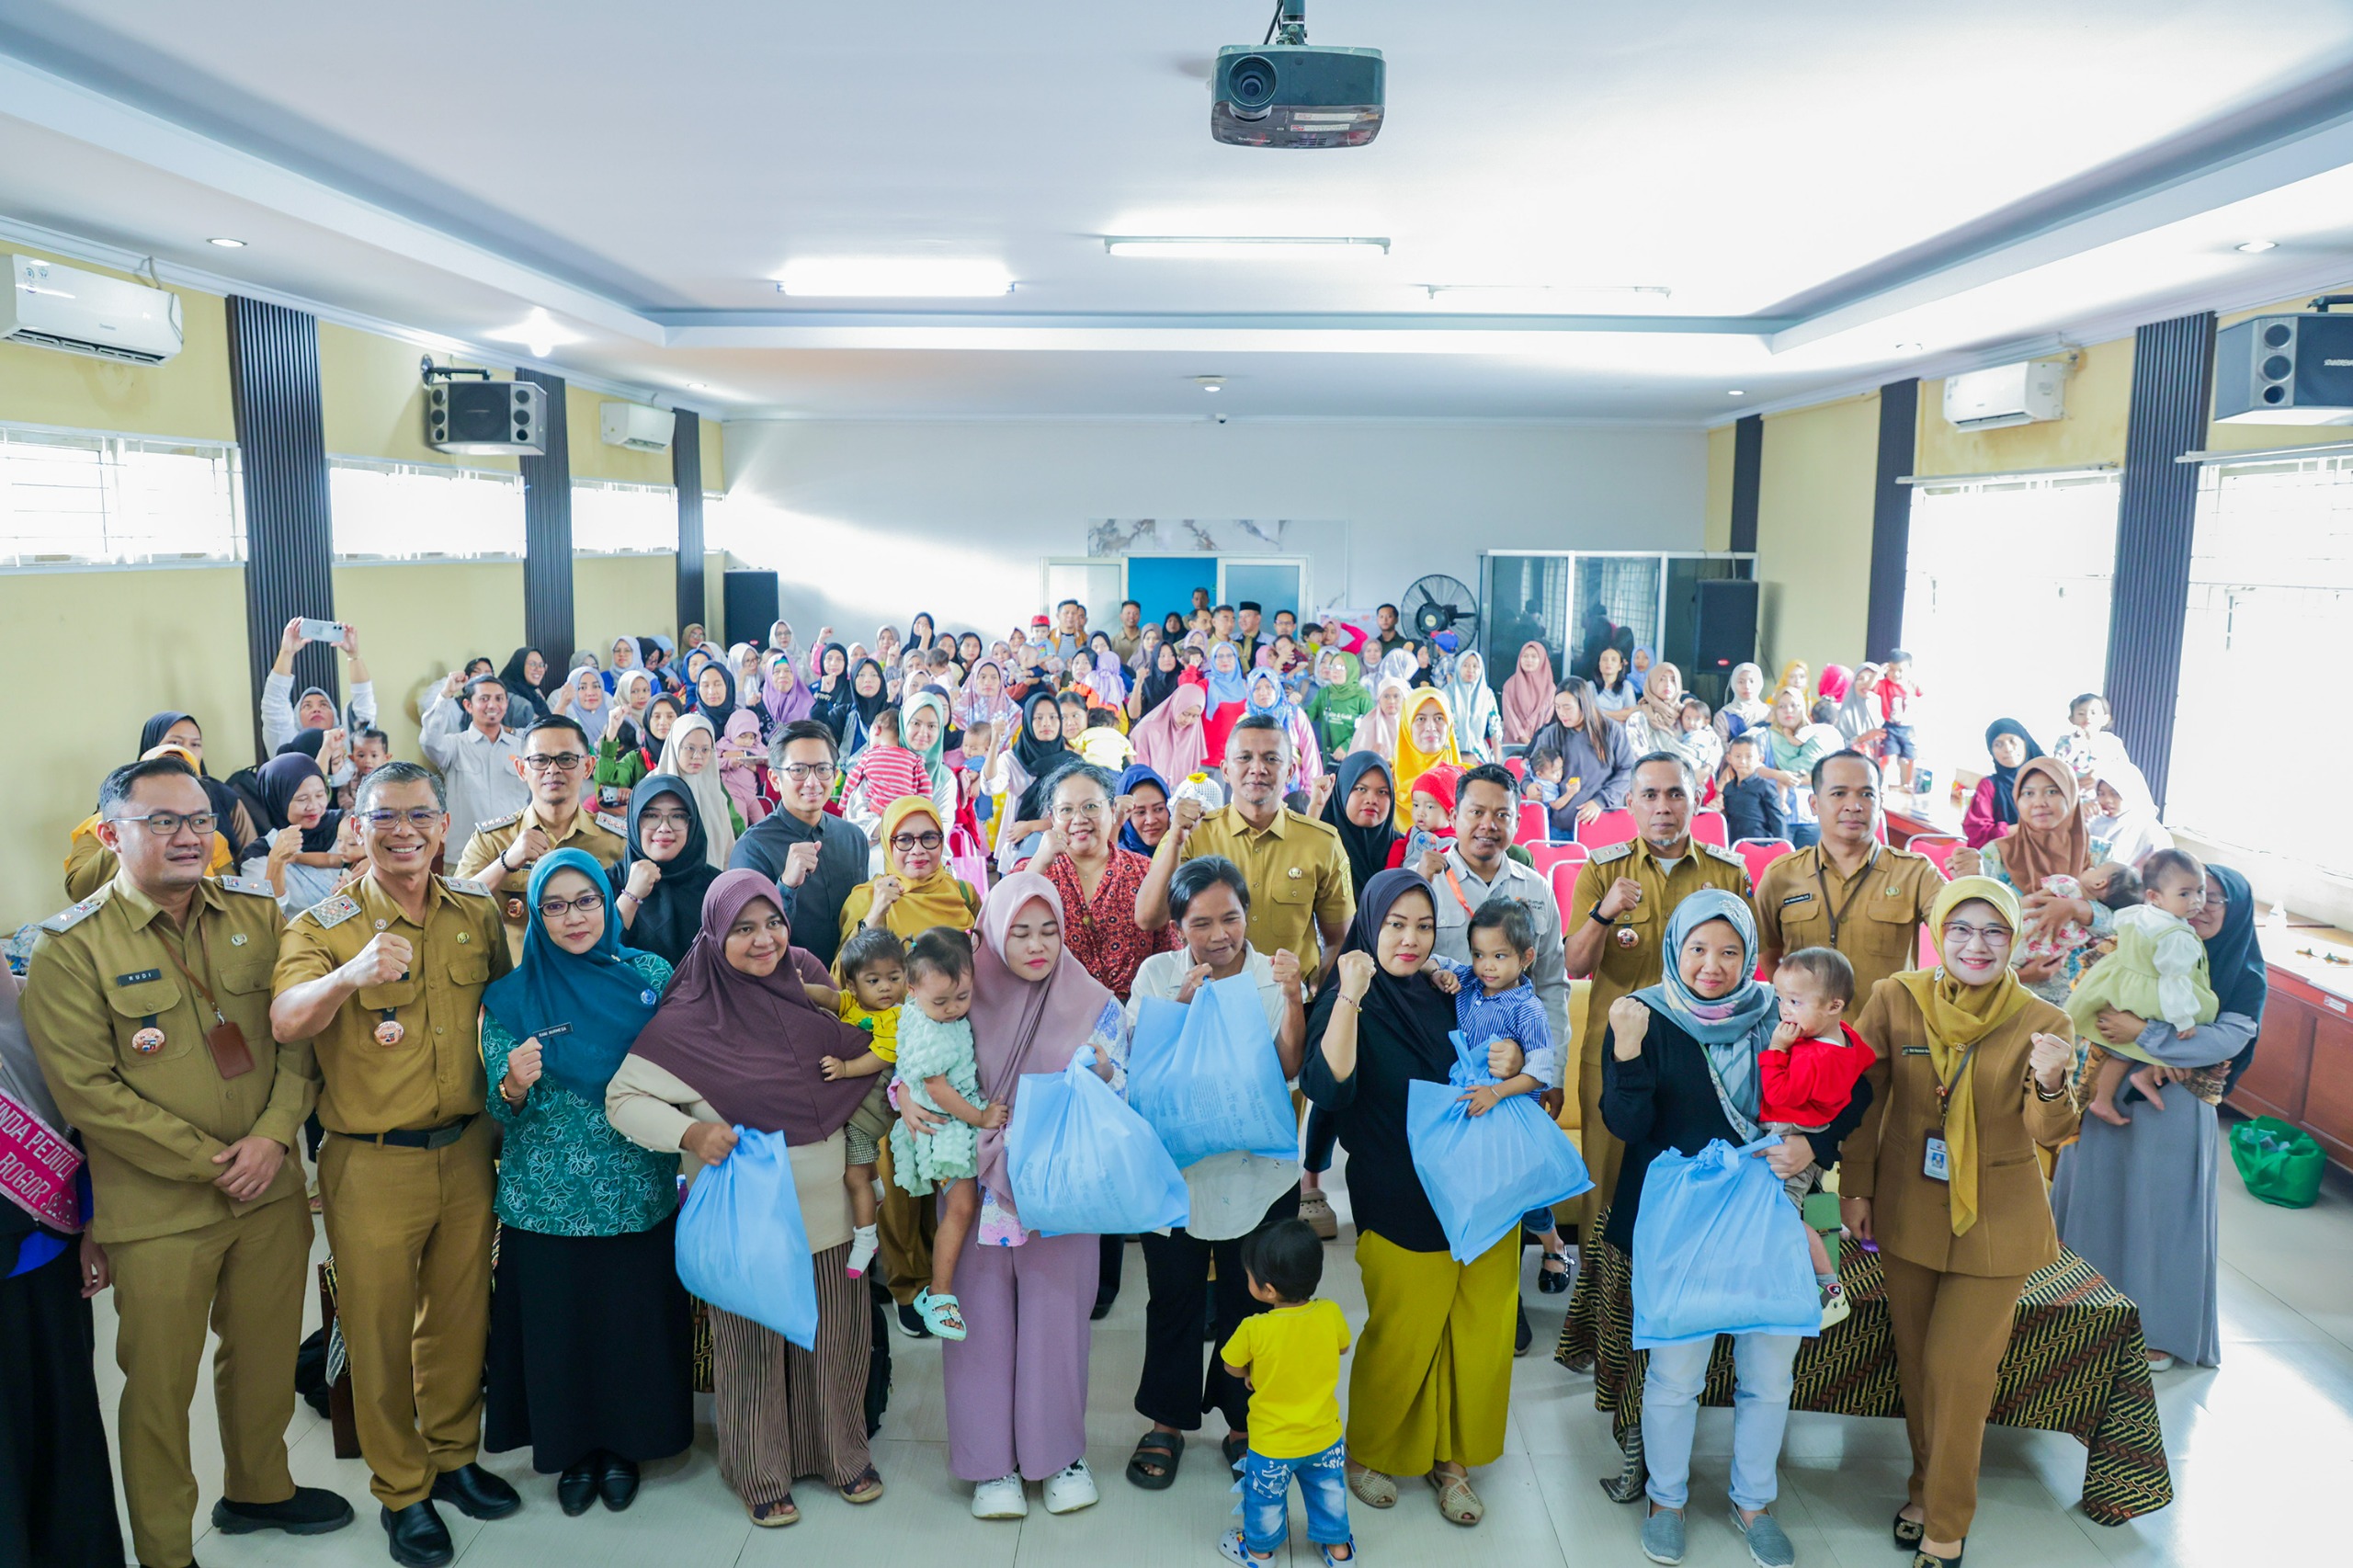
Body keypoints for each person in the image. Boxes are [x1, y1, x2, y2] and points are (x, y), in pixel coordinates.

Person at [20, 756, 349, 1568]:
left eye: (199, 820)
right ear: (110, 833)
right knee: (162, 1390)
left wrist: (272, 1138)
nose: (186, 837)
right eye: (161, 821)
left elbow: (295, 1039)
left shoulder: (256, 916)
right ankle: (168, 1551)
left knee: (267, 1355)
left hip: (269, 1188)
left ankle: (259, 1489)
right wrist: (215, 1162)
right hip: (157, 1208)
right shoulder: (69, 950)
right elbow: (90, 1094)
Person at [268, 762, 517, 1568]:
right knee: (375, 1333)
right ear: (358, 824)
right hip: (371, 1162)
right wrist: (350, 974)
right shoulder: (327, 923)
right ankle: (402, 1490)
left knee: (457, 1317)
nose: (403, 830)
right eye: (385, 816)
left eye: (419, 816)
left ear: (445, 826)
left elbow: (510, 1010)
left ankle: (452, 1457)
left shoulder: (473, 913)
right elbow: (284, 1020)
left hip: (468, 1148)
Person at [604, 871, 884, 1526]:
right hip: (747, 1220)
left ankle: (842, 1454)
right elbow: (623, 1098)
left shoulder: (811, 992)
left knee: (838, 1336)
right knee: (752, 1345)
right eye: (745, 929)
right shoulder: (689, 1017)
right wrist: (691, 1131)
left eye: (774, 924)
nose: (765, 941)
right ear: (714, 934)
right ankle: (759, 1470)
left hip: (831, 1212)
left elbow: (873, 1050)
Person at [1599, 890, 1864, 1568]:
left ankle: (1754, 1502)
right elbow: (1626, 1128)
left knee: (1770, 1375)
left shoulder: (1784, 1011)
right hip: (1683, 1219)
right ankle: (1667, 1498)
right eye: (1697, 949)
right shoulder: (1644, 1016)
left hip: (1773, 1211)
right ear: (1674, 949)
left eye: (1729, 950)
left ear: (1750, 955)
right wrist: (1628, 1053)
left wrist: (1815, 1146)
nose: (1711, 965)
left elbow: (1853, 1087)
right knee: (1676, 1372)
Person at [1837, 877, 2077, 1567]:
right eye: (1962, 930)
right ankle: (1922, 1486)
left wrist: (2055, 1082)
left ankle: (1946, 1522)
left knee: (1959, 1373)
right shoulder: (1897, 998)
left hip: (1996, 1221)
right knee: (1916, 1367)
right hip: (1907, 1209)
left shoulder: (2044, 1020)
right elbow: (1861, 1100)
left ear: (2014, 940)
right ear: (1939, 934)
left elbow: (2051, 1130)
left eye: (1994, 932)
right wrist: (1853, 1188)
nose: (1977, 945)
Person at [1302, 869, 1526, 1526]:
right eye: (1396, 924)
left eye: (1423, 925)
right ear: (1371, 924)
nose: (1410, 938)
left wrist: (1509, 1056)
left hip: (1481, 1187)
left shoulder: (1450, 990)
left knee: (1476, 1331)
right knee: (1403, 1333)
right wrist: (1347, 997)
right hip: (1399, 1191)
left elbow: (1507, 1038)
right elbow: (1328, 1085)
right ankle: (1367, 1453)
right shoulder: (1352, 993)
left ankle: (1452, 1461)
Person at [479, 850, 690, 1516]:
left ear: (608, 900)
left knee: (627, 1323)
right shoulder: (511, 996)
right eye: (556, 905)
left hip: (635, 1187)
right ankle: (571, 1449)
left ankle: (625, 1444)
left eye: (587, 900)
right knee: (559, 1327)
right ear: (535, 914)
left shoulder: (650, 976)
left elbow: (687, 1067)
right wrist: (513, 1081)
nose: (574, 917)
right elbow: (495, 1104)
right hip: (544, 1199)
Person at [926, 872, 1129, 1520]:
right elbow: (918, 1066)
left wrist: (1103, 1075)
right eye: (1020, 931)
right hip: (973, 1186)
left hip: (1062, 1185)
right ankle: (991, 1466)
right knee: (979, 1320)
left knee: (1056, 1316)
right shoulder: (959, 994)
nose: (1037, 945)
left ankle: (1059, 1454)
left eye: (1049, 930)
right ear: (990, 929)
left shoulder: (1092, 999)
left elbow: (1123, 1085)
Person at [1122, 856, 1307, 1493]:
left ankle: (1240, 1420)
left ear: (1248, 915)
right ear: (1178, 926)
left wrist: (1291, 997)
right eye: (1201, 922)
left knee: (1247, 1301)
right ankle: (1168, 1421)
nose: (1219, 934)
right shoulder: (1157, 974)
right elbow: (1140, 1070)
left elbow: (1289, 1066)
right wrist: (1179, 1007)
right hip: (1175, 1174)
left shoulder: (1270, 973)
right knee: (1172, 1298)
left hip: (1256, 1173)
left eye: (1231, 917)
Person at [2052, 862, 2265, 1369]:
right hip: (2107, 1086)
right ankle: (2071, 1314)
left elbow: (2226, 1038)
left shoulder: (2244, 973)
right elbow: (2093, 987)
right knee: (2093, 1200)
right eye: (2193, 894)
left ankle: (2159, 1332)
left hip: (2176, 1107)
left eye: (2215, 899)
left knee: (2162, 1217)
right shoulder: (2146, 938)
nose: (2202, 906)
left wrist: (2143, 1034)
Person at [1562, 753, 1755, 1301]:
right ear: (1630, 804)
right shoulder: (1603, 869)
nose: (1663, 807)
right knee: (1607, 1175)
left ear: (1696, 802)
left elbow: (1748, 967)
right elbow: (1575, 964)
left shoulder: (1727, 872)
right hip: (1619, 1051)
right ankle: (1601, 1311)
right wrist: (1604, 912)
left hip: (1705, 1057)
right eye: (1649, 795)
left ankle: (1682, 1300)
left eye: (1675, 795)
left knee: (1696, 1177)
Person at [1, 960, 129, 1568]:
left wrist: (92, 1226)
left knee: (64, 1428)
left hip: (46, 1259)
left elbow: (83, 1125)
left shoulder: (32, 1007)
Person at [1137, 715, 1354, 977]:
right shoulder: (1192, 834)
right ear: (1225, 770)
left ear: (1290, 772)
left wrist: (1319, 1004)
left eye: (1271, 758)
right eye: (1245, 757)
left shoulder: (1322, 842)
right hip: (1210, 999)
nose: (1258, 768)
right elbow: (1148, 919)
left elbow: (1338, 939)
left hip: (1293, 1005)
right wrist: (1174, 840)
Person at [1216, 1220, 1356, 1567]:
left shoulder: (1255, 1328)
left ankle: (1259, 1552)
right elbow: (1340, 1347)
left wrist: (1251, 1372)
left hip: (1273, 1443)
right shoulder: (1330, 1312)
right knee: (1328, 1495)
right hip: (1324, 1436)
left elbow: (1230, 1366)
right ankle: (1339, 1551)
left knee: (1265, 1500)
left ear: (1267, 1290)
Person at [1756, 751, 1943, 1000]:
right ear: (1814, 804)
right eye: (1838, 793)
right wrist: (1796, 1004)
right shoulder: (1782, 875)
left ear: (1880, 801)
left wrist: (1974, 884)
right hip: (1807, 1036)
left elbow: (1961, 934)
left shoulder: (1915, 873)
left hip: (1887, 1036)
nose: (1854, 806)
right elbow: (1767, 954)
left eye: (1867, 794)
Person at [2064, 847, 2220, 1126]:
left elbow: (2120, 923)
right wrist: (2183, 1019)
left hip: (2119, 981)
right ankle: (2120, 1089)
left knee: (2120, 1048)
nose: (2196, 901)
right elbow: (2174, 981)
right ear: (2155, 896)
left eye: (2201, 891)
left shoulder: (2143, 913)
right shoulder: (2177, 935)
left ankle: (2114, 1092)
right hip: (2150, 992)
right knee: (2173, 1033)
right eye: (2184, 894)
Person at [453, 717, 627, 962]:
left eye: (566, 759)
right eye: (540, 760)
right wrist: (505, 863)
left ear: (588, 767)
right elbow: (454, 907)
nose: (553, 769)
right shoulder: (492, 840)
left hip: (593, 984)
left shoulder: (617, 842)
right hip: (518, 985)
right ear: (522, 770)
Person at [1762, 947, 1875, 1324]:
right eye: (1780, 999)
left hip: (1790, 1135)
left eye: (1795, 1001)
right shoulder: (1842, 1036)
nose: (1784, 1011)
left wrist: (1777, 1050)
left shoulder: (1814, 1057)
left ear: (1833, 1005)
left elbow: (1777, 1094)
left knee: (1781, 1218)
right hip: (1810, 1133)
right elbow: (1865, 1059)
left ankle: (1828, 1287)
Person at [1948, 756, 2104, 1006]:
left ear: (2071, 795)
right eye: (2028, 794)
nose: (2039, 802)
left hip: (2084, 1002)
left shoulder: (2099, 855)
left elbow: (2125, 924)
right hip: (2009, 995)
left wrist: (2076, 908)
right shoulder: (1994, 855)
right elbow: (1968, 933)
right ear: (2017, 801)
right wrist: (2020, 975)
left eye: (2052, 792)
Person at [808, 925, 908, 1282]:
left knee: (853, 1177)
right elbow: (829, 997)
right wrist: (797, 989)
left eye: (894, 978)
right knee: (858, 1170)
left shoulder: (896, 1015)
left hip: (870, 1112)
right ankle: (876, 1187)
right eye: (874, 980)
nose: (886, 988)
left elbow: (882, 1057)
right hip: (855, 1109)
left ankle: (866, 1237)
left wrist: (846, 1067)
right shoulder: (851, 1001)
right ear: (853, 985)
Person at [730, 720, 870, 971]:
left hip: (854, 988)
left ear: (836, 774)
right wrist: (786, 885)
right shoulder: (752, 847)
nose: (813, 782)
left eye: (822, 769)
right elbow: (746, 937)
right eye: (798, 770)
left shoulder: (853, 837)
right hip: (788, 988)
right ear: (774, 778)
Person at [609, 775, 721, 966]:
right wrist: (630, 896)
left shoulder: (716, 886)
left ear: (692, 824)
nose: (664, 828)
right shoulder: (609, 883)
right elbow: (598, 954)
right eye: (651, 816)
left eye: (677, 816)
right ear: (634, 820)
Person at [841, 796, 982, 942]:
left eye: (928, 837)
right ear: (888, 845)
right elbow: (843, 965)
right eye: (904, 840)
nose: (918, 850)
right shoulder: (867, 899)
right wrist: (874, 916)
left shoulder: (964, 893)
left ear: (941, 841)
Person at [419, 671, 529, 841]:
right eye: (484, 699)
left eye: (499, 699)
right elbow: (429, 741)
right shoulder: (454, 746)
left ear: (506, 704)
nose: (492, 705)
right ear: (468, 705)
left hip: (515, 852)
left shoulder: (522, 749)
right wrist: (446, 695)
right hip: (465, 856)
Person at [261, 618, 376, 779]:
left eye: (324, 705)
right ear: (296, 720)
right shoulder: (288, 746)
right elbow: (273, 705)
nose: (316, 709)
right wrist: (286, 652)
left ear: (335, 718)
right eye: (306, 706)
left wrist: (353, 655)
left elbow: (365, 709)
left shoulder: (350, 748)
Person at [246, 749, 358, 915]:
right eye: (301, 799)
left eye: (320, 795)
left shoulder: (348, 826)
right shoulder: (259, 857)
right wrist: (276, 861)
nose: (314, 806)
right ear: (277, 800)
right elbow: (265, 918)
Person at [1529, 677, 1640, 835]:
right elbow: (1531, 771)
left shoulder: (1611, 731)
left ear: (1584, 705)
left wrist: (1600, 801)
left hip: (1602, 822)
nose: (1561, 713)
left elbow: (1628, 770)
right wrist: (1529, 786)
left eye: (1567, 707)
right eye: (1558, 707)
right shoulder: (1551, 734)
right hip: (1559, 825)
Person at [654, 712, 742, 860]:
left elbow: (727, 849)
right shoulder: (653, 787)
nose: (698, 756)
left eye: (705, 749)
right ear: (676, 745)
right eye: (690, 748)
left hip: (711, 879)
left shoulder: (716, 795)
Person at [1755, 688, 1835, 849]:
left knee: (1812, 868)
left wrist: (1803, 779)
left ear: (1803, 708)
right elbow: (1752, 768)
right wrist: (1778, 774)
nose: (1788, 711)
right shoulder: (1764, 737)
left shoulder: (1818, 736)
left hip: (1813, 816)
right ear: (1775, 710)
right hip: (1777, 815)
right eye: (1782, 706)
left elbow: (1833, 772)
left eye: (1794, 705)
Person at [1961, 719, 2043, 847]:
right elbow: (1977, 832)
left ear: (2024, 742)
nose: (2008, 749)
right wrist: (2025, 828)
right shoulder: (1989, 786)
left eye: (2012, 741)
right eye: (1998, 745)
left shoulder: (2049, 778)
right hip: (2006, 859)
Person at [1391, 689, 1462, 828]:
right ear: (1406, 726)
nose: (1430, 727)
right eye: (1421, 719)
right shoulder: (1387, 777)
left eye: (1439, 718)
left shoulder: (1466, 781)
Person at [2086, 758, 2172, 867]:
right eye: (2101, 794)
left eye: (2115, 794)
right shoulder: (2094, 822)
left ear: (2131, 793)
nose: (2107, 800)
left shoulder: (2151, 831)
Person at [1306, 647, 1370, 762]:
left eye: (1341, 667)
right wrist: (1295, 705)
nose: (1335, 671)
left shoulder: (1362, 697)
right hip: (1328, 759)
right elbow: (1307, 718)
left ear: (1351, 669)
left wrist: (1347, 746)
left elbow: (1370, 727)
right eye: (1333, 666)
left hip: (1354, 757)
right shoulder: (1324, 693)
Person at [1718, 732, 1785, 842]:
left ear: (1760, 759)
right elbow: (1727, 817)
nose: (1743, 761)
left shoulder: (1765, 787)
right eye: (1738, 756)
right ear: (1729, 759)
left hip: (1761, 845)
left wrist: (1782, 848)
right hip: (1735, 846)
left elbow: (1777, 820)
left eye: (1749, 756)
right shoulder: (1728, 788)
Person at [1439, 648, 1504, 763]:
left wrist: (1498, 763)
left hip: (1479, 755)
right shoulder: (1446, 693)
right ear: (1458, 667)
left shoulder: (1487, 694)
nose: (1470, 670)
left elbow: (1495, 729)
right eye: (1466, 665)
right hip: (1452, 754)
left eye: (1475, 666)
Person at [1876, 650, 1924, 791]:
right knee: (1888, 756)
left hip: (1908, 728)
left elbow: (1923, 696)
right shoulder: (1884, 684)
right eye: (1891, 669)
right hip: (1890, 726)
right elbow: (1872, 686)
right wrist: (1879, 672)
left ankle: (1909, 784)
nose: (1895, 674)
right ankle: (1882, 783)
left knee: (1911, 757)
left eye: (1900, 670)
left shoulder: (1911, 685)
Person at [1500, 640, 1557, 747]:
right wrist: (1526, 741)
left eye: (1534, 657)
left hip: (1540, 745)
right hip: (1514, 744)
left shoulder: (1550, 688)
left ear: (1542, 660)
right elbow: (1509, 718)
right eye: (1525, 656)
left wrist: (1536, 742)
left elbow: (1548, 720)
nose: (1529, 660)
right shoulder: (1510, 685)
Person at [1116, 762, 1175, 857]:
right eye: (1140, 812)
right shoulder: (1114, 862)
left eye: (1159, 809)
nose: (1151, 821)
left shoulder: (1185, 851)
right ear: (1126, 819)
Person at [1593, 645, 1638, 717]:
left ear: (1620, 666)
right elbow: (1588, 713)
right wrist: (1619, 715)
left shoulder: (1626, 685)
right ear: (1599, 664)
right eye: (1605, 659)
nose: (1609, 662)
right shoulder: (1589, 686)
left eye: (1613, 660)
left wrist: (1601, 714)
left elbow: (1631, 713)